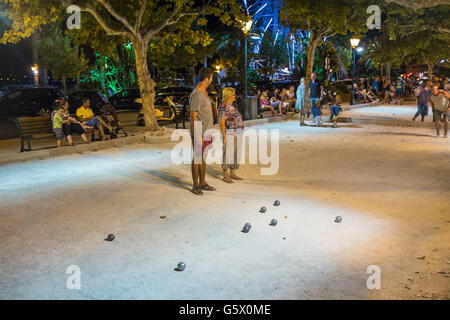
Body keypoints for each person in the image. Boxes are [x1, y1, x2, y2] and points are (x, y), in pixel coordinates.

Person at [190, 67, 216, 195]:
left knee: (203, 157)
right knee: (197, 158)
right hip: (199, 132)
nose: (212, 80)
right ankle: (195, 185)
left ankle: (203, 183)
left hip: (207, 131)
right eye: (211, 78)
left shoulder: (204, 92)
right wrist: (198, 135)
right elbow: (193, 116)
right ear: (206, 78)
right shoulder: (196, 94)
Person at [218, 87, 244, 183]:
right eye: (233, 94)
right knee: (227, 152)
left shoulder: (232, 106)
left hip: (237, 132)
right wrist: (224, 136)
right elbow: (221, 122)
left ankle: (232, 172)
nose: (234, 96)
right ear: (228, 96)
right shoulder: (224, 106)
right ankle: (225, 173)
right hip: (229, 132)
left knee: (235, 152)